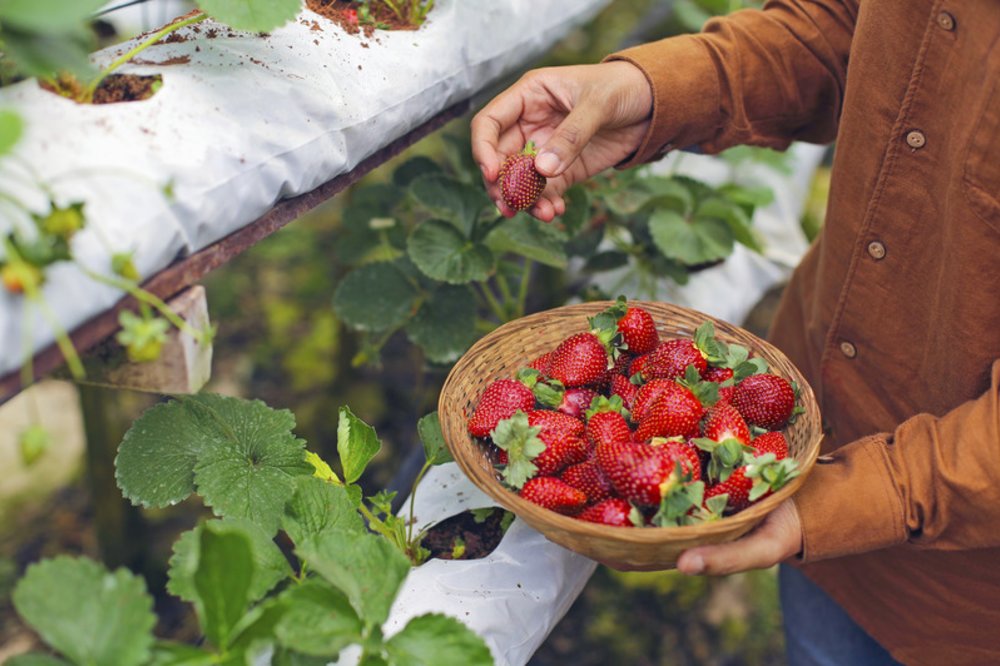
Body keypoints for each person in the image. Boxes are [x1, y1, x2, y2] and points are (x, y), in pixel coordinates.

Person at [470, 1, 1000, 664]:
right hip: (813, 443)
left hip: (968, 603)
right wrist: (650, 90)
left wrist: (845, 505)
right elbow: (848, 29)